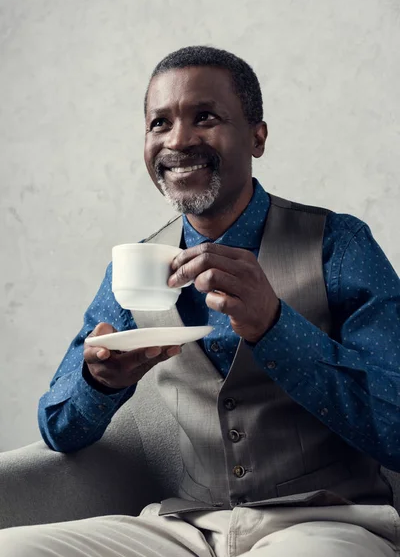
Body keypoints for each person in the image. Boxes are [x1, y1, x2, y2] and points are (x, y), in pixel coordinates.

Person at [1, 46, 400, 556]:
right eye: (159, 123)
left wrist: (276, 325)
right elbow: (58, 428)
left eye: (204, 117)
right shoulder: (137, 264)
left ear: (257, 137)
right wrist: (97, 383)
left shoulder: (338, 244)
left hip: (325, 523)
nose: (178, 140)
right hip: (187, 526)